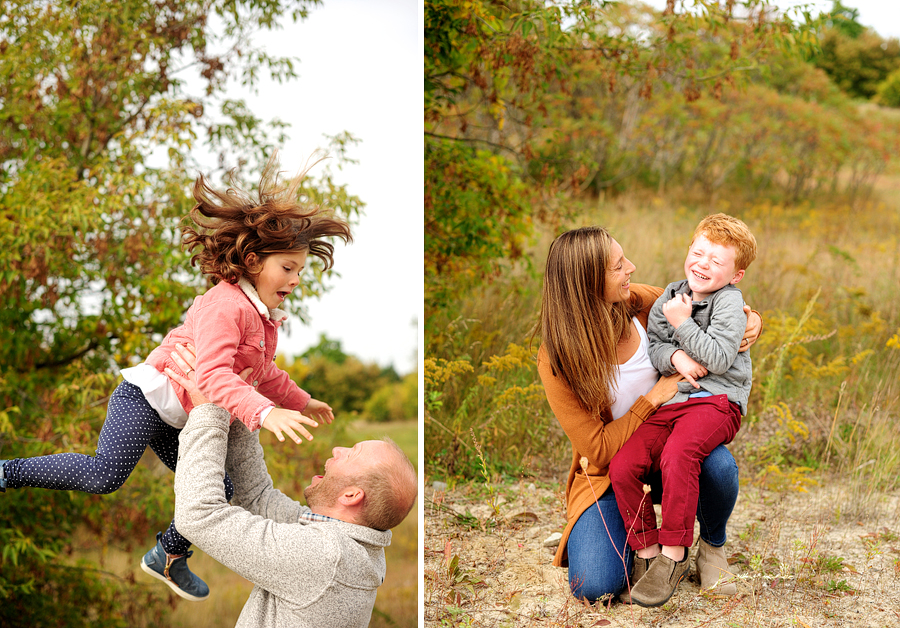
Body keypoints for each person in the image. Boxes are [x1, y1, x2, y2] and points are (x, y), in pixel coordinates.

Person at [0, 155, 350, 601]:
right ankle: (7, 472)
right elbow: (214, 374)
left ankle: (166, 555)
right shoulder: (225, 305)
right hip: (146, 397)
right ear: (253, 260)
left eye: (300, 270)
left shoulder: (262, 318)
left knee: (217, 488)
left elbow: (265, 372)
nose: (296, 280)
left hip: (177, 418)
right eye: (288, 268)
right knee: (105, 474)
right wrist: (264, 413)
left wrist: (302, 401)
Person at [535, 225, 761, 604]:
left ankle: (710, 545)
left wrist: (753, 318)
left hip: (676, 440)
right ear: (590, 282)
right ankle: (638, 546)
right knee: (593, 585)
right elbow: (598, 448)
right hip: (612, 472)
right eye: (619, 265)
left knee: (719, 467)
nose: (632, 268)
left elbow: (714, 303)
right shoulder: (556, 358)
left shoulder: (640, 302)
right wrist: (654, 396)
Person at [164, 344, 418, 628]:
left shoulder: (325, 558)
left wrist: (208, 409)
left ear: (351, 495)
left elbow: (199, 515)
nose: (337, 449)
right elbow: (258, 496)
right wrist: (237, 399)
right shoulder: (350, 543)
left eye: (351, 454)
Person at [608, 213, 757, 607]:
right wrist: (674, 354)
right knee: (624, 464)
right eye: (698, 252)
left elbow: (721, 359)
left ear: (736, 275)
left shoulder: (729, 302)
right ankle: (646, 551)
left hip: (716, 401)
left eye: (716, 261)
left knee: (679, 454)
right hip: (673, 399)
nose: (703, 264)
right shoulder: (669, 297)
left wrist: (684, 325)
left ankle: (675, 554)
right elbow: (656, 346)